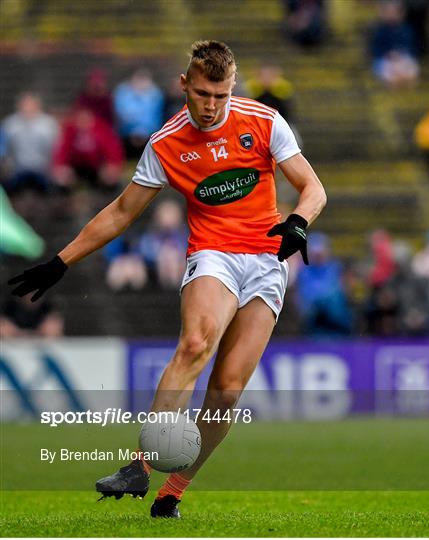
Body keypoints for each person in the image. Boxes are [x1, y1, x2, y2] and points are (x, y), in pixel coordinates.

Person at [8, 41, 326, 518]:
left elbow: (313, 187)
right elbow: (121, 212)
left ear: (232, 87)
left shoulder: (263, 120)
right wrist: (61, 261)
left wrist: (298, 222)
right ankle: (138, 465)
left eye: (220, 95)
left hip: (268, 260)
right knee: (197, 343)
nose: (211, 106)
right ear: (184, 85)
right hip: (213, 254)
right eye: (201, 94)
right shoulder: (166, 142)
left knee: (227, 390)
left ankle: (172, 491)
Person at [52, 106, 124, 190]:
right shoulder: (70, 130)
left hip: (97, 166)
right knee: (61, 180)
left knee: (110, 179)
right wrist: (60, 167)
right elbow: (62, 151)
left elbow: (113, 150)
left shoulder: (101, 129)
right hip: (76, 167)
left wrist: (113, 165)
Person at [1, 92, 59, 193]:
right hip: (17, 171)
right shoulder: (10, 124)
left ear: (37, 105)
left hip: (43, 170)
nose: (27, 108)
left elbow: (56, 149)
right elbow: (4, 150)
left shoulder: (49, 124)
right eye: (25, 104)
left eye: (30, 104)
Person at [114, 67, 165, 159]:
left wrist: (143, 130)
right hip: (126, 133)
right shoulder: (123, 92)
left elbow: (156, 117)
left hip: (149, 133)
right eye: (139, 79)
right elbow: (121, 114)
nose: (141, 83)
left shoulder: (155, 95)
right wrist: (134, 130)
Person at [368, 0, 420, 87]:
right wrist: (388, 54)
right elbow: (375, 50)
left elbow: (412, 47)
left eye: (394, 12)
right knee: (387, 71)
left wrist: (401, 53)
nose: (391, 15)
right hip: (384, 59)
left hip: (403, 58)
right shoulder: (379, 31)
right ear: (383, 14)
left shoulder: (407, 30)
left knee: (411, 69)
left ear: (401, 14)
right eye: (388, 12)